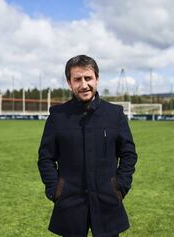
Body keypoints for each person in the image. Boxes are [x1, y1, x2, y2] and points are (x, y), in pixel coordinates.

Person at [38, 55, 138, 237]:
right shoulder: (57, 116)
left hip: (107, 200)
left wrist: (120, 186)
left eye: (88, 78)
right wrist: (56, 190)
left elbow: (129, 154)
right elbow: (46, 158)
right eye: (77, 79)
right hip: (70, 202)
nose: (84, 85)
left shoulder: (115, 114)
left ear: (97, 79)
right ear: (69, 82)